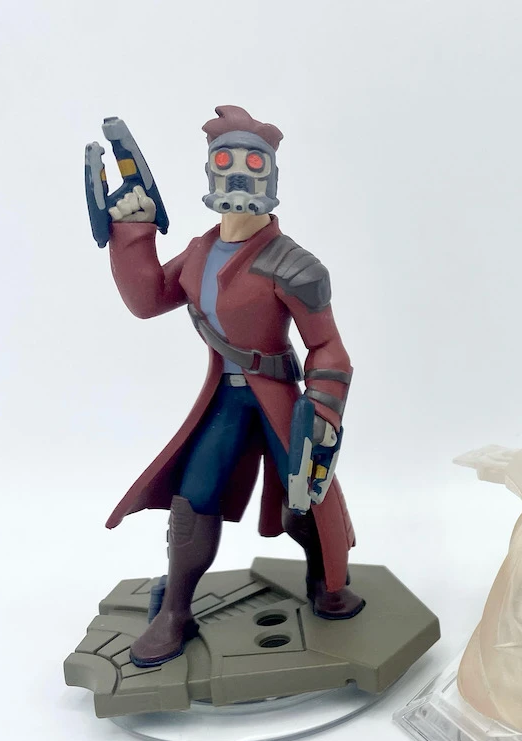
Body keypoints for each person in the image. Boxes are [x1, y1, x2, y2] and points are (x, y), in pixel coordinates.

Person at [103, 105, 363, 667]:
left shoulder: (295, 265)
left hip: (277, 398)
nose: (239, 173)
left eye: (253, 162)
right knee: (193, 497)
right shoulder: (199, 253)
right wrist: (133, 231)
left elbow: (327, 346)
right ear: (210, 171)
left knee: (304, 494)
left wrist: (322, 408)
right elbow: (148, 300)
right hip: (224, 398)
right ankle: (175, 612)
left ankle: (326, 580)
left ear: (271, 174)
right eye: (226, 161)